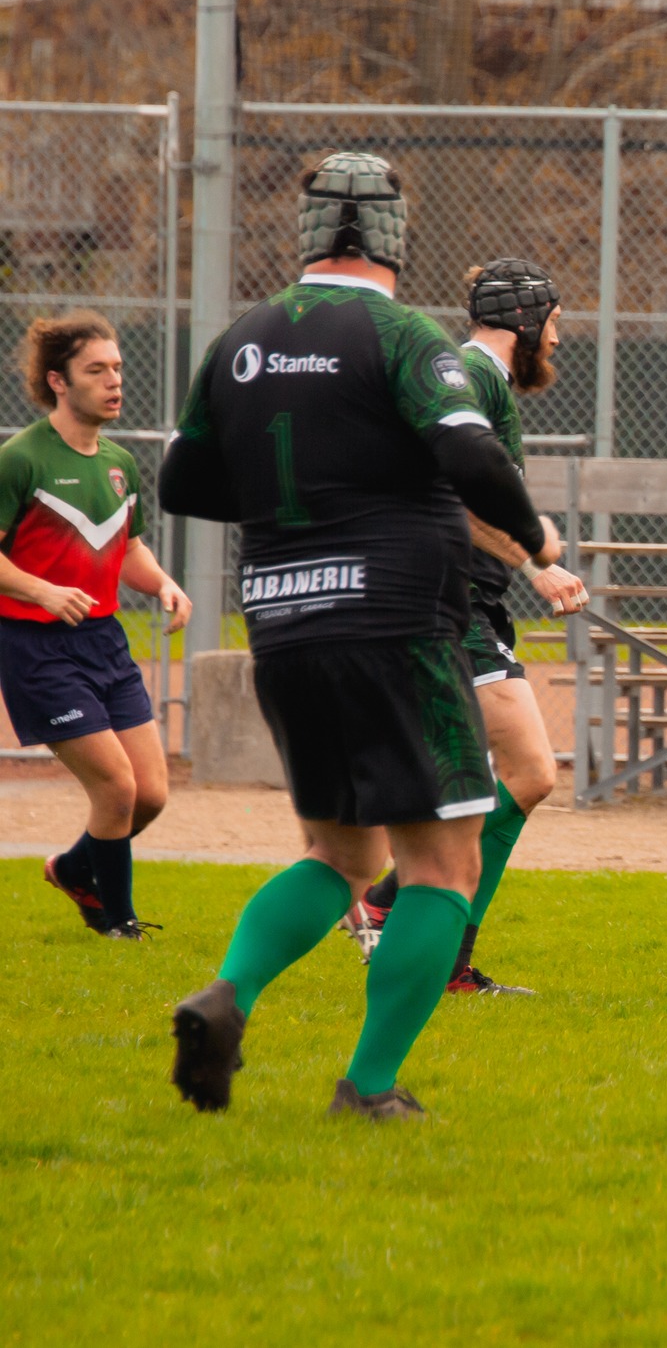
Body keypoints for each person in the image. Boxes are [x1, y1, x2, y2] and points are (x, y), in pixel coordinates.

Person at [160, 151, 555, 1119]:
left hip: (285, 625)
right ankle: (370, 1086)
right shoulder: (401, 335)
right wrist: (536, 536)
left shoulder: (239, 342)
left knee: (343, 859)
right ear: (391, 235)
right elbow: (468, 450)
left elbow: (181, 483)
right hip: (399, 628)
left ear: (304, 234)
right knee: (442, 866)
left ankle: (228, 993)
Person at [343, 258, 587, 994]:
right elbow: (451, 494)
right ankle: (396, 913)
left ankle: (410, 925)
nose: (557, 339)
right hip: (451, 605)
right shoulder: (474, 377)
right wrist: (536, 562)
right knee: (530, 772)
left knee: (492, 782)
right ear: (524, 322)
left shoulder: (475, 379)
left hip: (470, 604)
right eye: (553, 323)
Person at [0, 312, 190, 938]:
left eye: (117, 368)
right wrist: (42, 591)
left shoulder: (118, 463)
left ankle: (76, 871)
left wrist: (162, 582)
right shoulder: (20, 459)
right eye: (96, 370)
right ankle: (119, 922)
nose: (114, 381)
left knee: (151, 796)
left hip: (104, 640)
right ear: (58, 380)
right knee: (115, 789)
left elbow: (126, 547)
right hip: (37, 648)